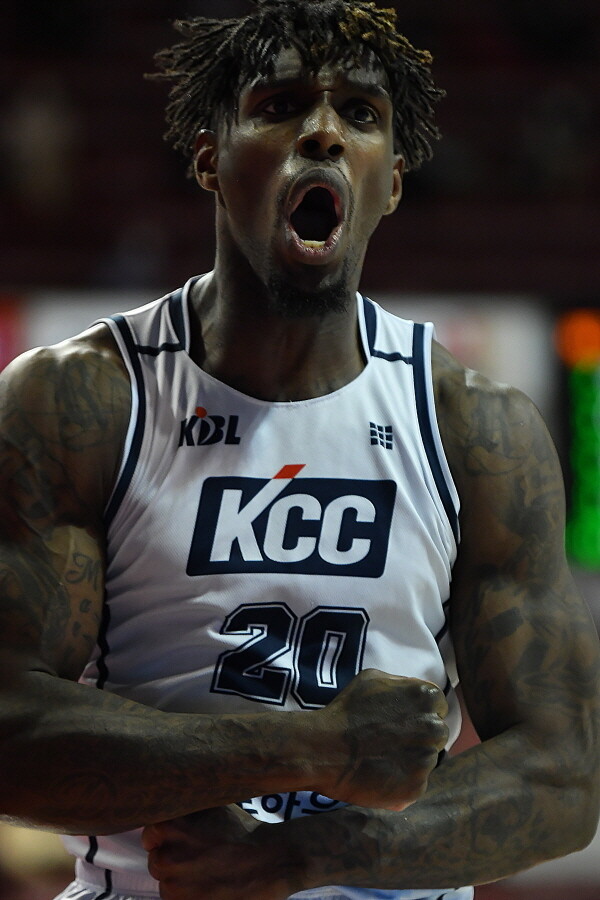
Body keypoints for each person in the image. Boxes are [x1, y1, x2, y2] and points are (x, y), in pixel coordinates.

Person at [0, 2, 598, 899]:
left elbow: (564, 777)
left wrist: (302, 856)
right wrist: (305, 748)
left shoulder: (475, 428)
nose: (322, 132)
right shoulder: (81, 400)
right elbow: (8, 726)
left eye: (360, 113)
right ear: (209, 155)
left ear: (391, 182)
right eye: (280, 106)